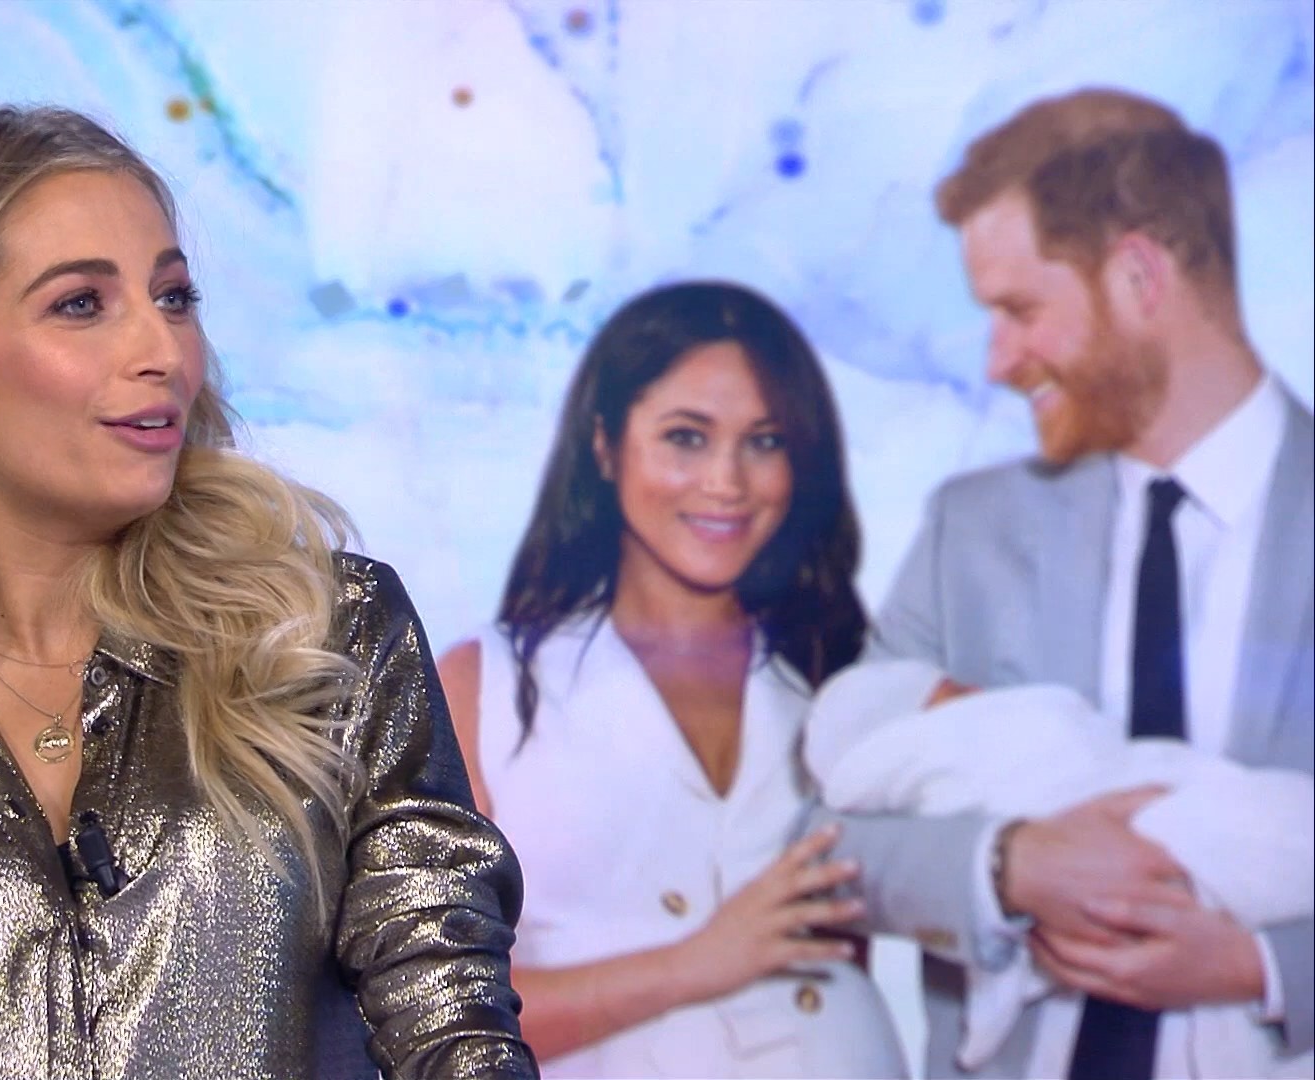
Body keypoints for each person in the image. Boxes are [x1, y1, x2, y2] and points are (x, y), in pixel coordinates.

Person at [0, 105, 537, 1080]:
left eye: (174, 296)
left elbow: (450, 1022)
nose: (162, 350)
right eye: (82, 304)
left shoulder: (324, 635)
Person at [808, 87, 1314, 1079]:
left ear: (1138, 277)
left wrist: (1263, 967)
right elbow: (822, 835)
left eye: (1020, 310)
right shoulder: (971, 529)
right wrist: (1006, 865)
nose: (999, 361)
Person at [436, 281, 908, 1078]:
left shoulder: (835, 672)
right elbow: (441, 1011)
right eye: (686, 437)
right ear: (605, 445)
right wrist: (696, 962)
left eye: (765, 441)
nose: (727, 481)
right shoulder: (484, 686)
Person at [805, 659, 1313, 1077]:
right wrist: (1005, 863)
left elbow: (1084, 739)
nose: (978, 692)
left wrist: (1260, 966)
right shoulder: (954, 749)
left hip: (1179, 806)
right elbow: (823, 848)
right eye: (955, 693)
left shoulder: (1019, 722)